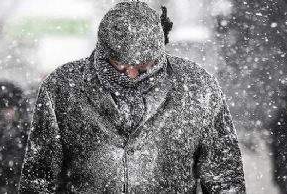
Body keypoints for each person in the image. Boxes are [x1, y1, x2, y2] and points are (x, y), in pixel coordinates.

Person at [19, 1, 246, 193]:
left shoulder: (198, 87)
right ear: (102, 51)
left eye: (143, 65)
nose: (131, 73)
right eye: (118, 64)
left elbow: (224, 177)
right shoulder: (62, 87)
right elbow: (39, 177)